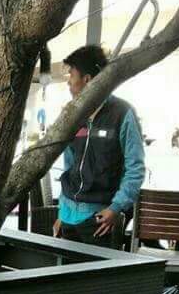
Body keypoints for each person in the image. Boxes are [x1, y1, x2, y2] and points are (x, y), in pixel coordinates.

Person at [53, 45, 145, 245]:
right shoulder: (72, 114)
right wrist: (61, 211)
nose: (68, 82)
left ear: (87, 79)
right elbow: (69, 165)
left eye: (71, 75)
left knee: (97, 267)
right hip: (68, 217)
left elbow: (135, 168)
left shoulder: (122, 114)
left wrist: (115, 208)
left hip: (100, 218)